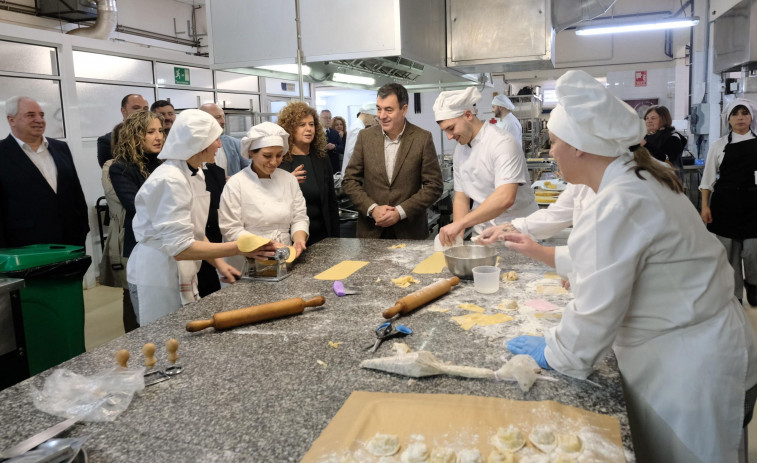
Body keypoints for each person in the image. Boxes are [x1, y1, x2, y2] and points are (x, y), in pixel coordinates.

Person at [490, 70, 757, 463]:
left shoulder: (619, 201)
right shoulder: (636, 178)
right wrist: (544, 254)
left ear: (580, 147)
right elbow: (617, 264)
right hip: (708, 344)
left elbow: (593, 321)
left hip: (692, 370)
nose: (550, 153)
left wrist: (555, 351)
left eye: (554, 143)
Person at [127, 110, 275, 326]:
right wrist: (239, 248)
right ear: (199, 143)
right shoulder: (169, 180)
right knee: (161, 340)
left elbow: (194, 231)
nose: (219, 145)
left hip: (180, 268)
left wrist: (219, 265)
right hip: (157, 274)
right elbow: (180, 247)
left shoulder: (195, 172)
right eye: (215, 139)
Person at [434, 87, 537, 246]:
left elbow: (505, 198)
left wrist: (461, 224)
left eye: (451, 128)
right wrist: (457, 241)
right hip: (483, 234)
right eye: (444, 131)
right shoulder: (460, 150)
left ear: (468, 115)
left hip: (517, 230)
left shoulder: (502, 143)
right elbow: (461, 198)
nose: (449, 137)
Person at [342, 83, 443, 239]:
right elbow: (349, 181)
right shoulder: (365, 137)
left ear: (404, 110)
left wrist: (401, 212)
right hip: (371, 231)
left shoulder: (422, 138)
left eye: (389, 110)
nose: (382, 116)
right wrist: (372, 209)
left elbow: (434, 186)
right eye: (379, 109)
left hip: (409, 232)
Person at [0, 96, 89, 248]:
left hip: (71, 241)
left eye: (41, 115)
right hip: (25, 246)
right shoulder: (3, 153)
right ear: (11, 120)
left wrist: (82, 227)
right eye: (30, 115)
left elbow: (76, 193)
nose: (39, 120)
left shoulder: (61, 148)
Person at [105, 110, 164, 332]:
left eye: (160, 131)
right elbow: (136, 205)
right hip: (142, 244)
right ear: (135, 135)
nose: (158, 137)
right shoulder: (121, 167)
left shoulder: (164, 163)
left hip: (168, 241)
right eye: (150, 132)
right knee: (143, 306)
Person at [219, 122, 309, 255]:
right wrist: (264, 245)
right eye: (267, 156)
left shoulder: (288, 180)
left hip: (283, 253)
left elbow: (299, 217)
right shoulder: (236, 183)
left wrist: (299, 240)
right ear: (251, 152)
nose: (274, 162)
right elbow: (230, 228)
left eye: (279, 155)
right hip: (247, 255)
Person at [700, 98, 757, 305]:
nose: (740, 118)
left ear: (752, 117)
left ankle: (753, 282)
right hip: (725, 204)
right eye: (735, 114)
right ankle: (736, 296)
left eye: (744, 113)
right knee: (729, 255)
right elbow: (707, 180)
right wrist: (705, 205)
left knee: (753, 251)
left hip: (754, 205)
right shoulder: (719, 145)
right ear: (728, 119)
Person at [277, 102, 339, 245]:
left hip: (323, 237)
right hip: (293, 239)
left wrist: (336, 239)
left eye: (311, 124)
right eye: (302, 125)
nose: (308, 129)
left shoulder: (321, 158)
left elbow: (331, 202)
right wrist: (286, 183)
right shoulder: (280, 161)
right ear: (290, 129)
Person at [199, 103, 250, 178]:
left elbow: (250, 169)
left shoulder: (234, 143)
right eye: (218, 117)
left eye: (223, 117)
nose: (223, 121)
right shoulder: (194, 147)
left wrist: (235, 181)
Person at [98, 94, 149, 167]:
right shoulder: (107, 140)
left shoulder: (156, 136)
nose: (142, 112)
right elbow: (110, 172)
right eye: (136, 108)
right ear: (123, 111)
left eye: (145, 109)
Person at [642, 105, 685, 179]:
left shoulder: (673, 138)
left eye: (653, 118)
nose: (649, 121)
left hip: (667, 182)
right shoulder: (646, 137)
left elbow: (668, 163)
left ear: (664, 119)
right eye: (647, 118)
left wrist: (645, 145)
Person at [341, 101, 378, 173]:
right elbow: (352, 152)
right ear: (366, 114)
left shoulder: (358, 126)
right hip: (353, 171)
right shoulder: (358, 128)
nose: (374, 120)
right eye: (373, 117)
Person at [320, 109, 343, 173]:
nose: (328, 120)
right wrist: (325, 147)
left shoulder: (335, 133)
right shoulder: (316, 133)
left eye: (329, 118)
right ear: (320, 119)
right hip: (322, 166)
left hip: (334, 166)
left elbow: (342, 148)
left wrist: (334, 147)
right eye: (325, 118)